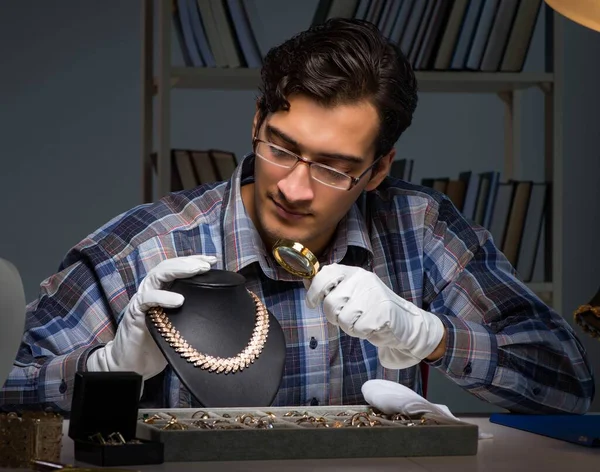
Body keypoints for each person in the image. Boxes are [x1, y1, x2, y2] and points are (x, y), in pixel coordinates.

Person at [0, 18, 594, 414]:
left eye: (335, 167)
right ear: (257, 121)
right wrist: (104, 371)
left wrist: (429, 337)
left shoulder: (421, 226)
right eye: (281, 147)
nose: (294, 186)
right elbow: (8, 385)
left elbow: (571, 382)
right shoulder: (145, 247)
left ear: (379, 169)